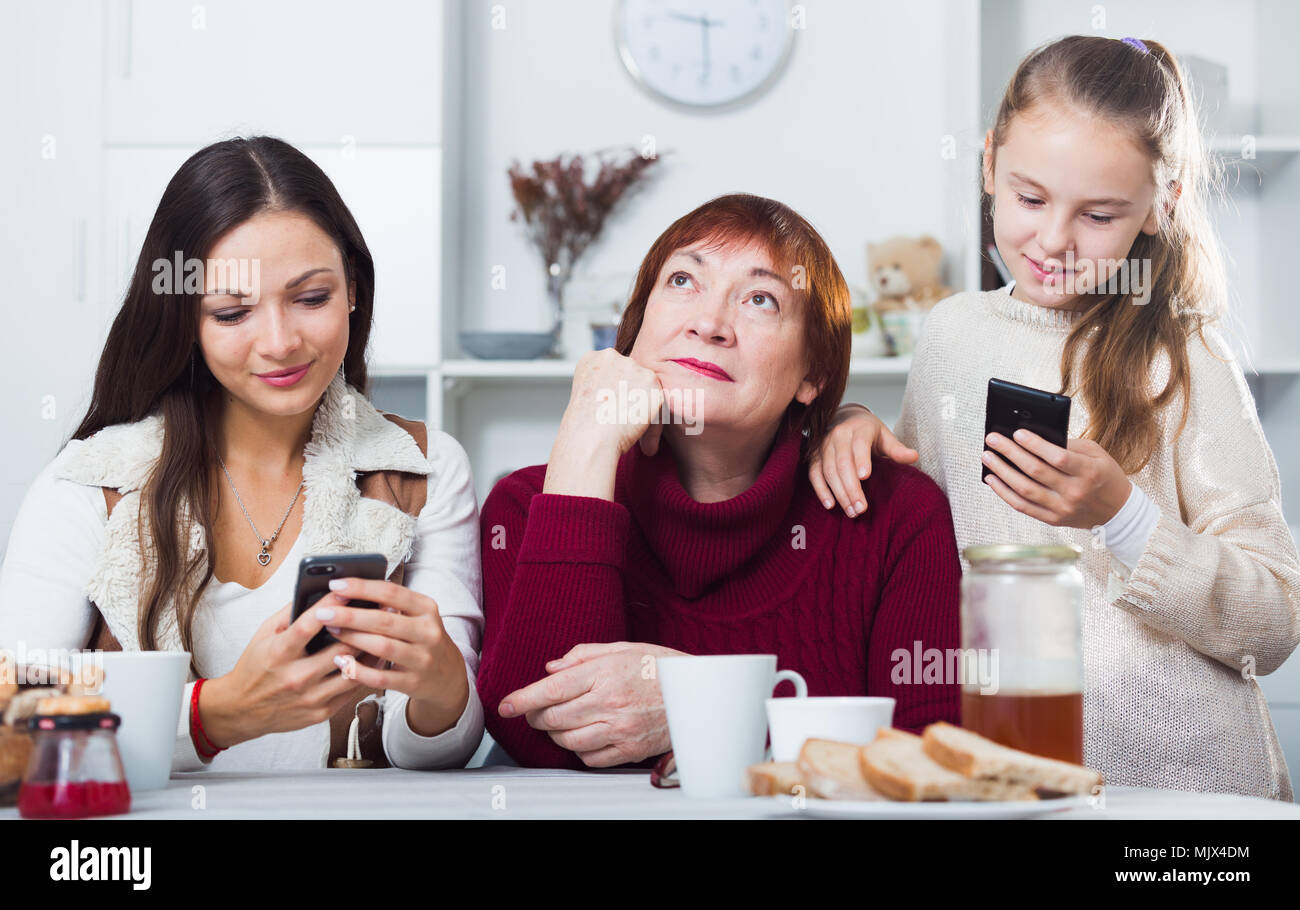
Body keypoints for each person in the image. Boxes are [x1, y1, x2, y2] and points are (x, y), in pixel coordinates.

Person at [809, 37, 1300, 799]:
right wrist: (855, 427)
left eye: (1099, 215)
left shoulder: (1186, 354)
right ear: (988, 164)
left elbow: (1274, 621)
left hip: (1187, 790)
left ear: (1159, 207)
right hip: (1005, 778)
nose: (1052, 241)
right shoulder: (952, 335)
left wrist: (1125, 518)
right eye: (1029, 198)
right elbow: (918, 546)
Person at [0, 136, 484, 771]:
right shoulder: (91, 483)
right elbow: (13, 724)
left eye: (312, 298)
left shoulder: (422, 468)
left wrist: (443, 683)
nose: (280, 342)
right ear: (184, 317)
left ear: (354, 290)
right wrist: (219, 713)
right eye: (232, 313)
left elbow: (436, 751)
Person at [476, 193, 963, 770]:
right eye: (683, 281)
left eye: (761, 300)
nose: (708, 324)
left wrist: (701, 704)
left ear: (814, 374)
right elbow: (540, 736)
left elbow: (928, 754)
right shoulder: (528, 506)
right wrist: (587, 444)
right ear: (634, 328)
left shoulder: (894, 515)